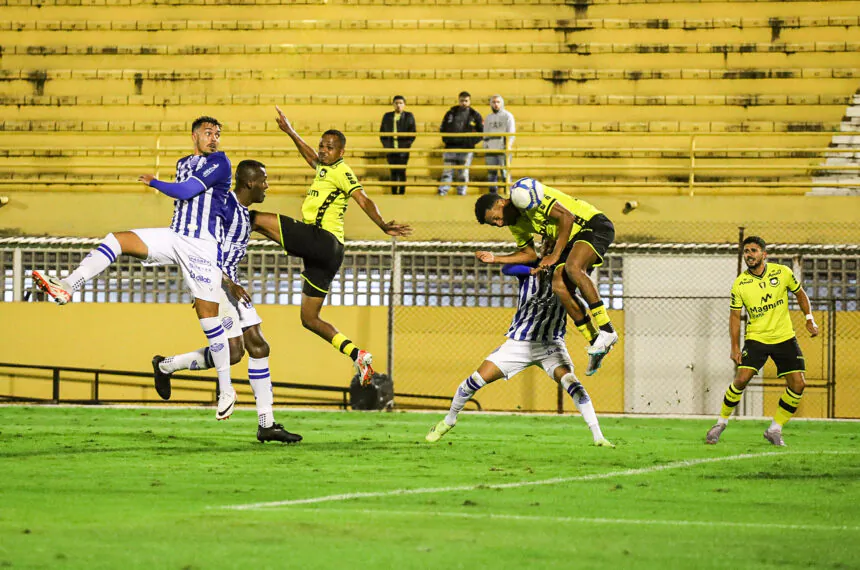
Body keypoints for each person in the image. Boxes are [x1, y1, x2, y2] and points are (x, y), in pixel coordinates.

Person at [31, 116, 239, 421]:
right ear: (194, 135)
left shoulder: (220, 162)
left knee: (208, 320)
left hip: (201, 247)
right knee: (116, 240)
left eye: (218, 134)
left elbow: (184, 193)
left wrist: (154, 182)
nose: (214, 138)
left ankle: (227, 389)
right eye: (209, 133)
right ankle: (68, 285)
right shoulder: (184, 162)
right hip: (174, 236)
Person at [250, 106, 412, 385]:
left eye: (330, 147)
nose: (323, 150)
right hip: (325, 255)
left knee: (252, 218)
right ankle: (358, 355)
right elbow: (310, 156)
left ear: (341, 153)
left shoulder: (341, 171)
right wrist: (290, 131)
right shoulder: (324, 167)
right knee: (309, 318)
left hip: (323, 240)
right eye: (322, 145)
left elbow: (362, 198)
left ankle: (219, 246)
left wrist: (382, 224)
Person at [151, 160, 302, 444]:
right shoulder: (223, 206)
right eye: (264, 181)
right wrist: (224, 283)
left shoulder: (246, 215)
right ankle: (165, 366)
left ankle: (266, 424)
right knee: (234, 353)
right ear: (249, 184)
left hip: (232, 286)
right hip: (216, 283)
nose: (267, 186)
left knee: (259, 346)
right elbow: (202, 249)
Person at [426, 249, 613, 447]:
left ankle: (598, 436)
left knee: (573, 384)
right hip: (518, 344)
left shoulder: (567, 274)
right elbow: (508, 268)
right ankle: (449, 421)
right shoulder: (530, 269)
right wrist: (532, 271)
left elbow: (584, 278)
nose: (549, 245)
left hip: (551, 346)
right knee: (475, 381)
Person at [473, 178, 618, 375]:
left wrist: (554, 254)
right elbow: (529, 254)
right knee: (558, 285)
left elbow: (567, 217)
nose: (499, 224)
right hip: (570, 240)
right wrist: (495, 258)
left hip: (591, 225)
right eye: (494, 224)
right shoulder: (516, 225)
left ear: (500, 202)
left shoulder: (522, 196)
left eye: (496, 218)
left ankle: (607, 330)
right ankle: (596, 342)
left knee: (573, 268)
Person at [705, 236, 819, 447]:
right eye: (746, 251)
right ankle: (720, 423)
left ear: (764, 254)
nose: (749, 254)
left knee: (798, 384)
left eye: (753, 251)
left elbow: (801, 294)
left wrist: (809, 319)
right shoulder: (740, 283)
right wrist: (734, 346)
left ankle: (775, 429)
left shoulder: (782, 272)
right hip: (756, 338)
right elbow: (734, 316)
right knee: (741, 379)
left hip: (785, 337)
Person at [438, 91, 483, 196]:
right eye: (462, 100)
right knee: (447, 171)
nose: (464, 103)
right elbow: (443, 128)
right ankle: (443, 191)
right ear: (458, 100)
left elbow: (481, 132)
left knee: (463, 173)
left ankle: (461, 192)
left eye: (466, 101)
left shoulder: (475, 115)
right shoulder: (451, 113)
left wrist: (471, 142)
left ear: (470, 101)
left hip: (466, 149)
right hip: (450, 147)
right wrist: (446, 140)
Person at [379, 95, 416, 195]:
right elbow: (382, 132)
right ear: (393, 104)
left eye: (400, 103)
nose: (398, 105)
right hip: (391, 149)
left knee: (402, 171)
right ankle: (394, 192)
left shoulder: (409, 116)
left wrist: (406, 146)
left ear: (404, 105)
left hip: (403, 149)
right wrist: (387, 145)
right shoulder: (387, 116)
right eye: (396, 103)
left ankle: (402, 192)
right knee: (393, 171)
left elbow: (412, 133)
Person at [483, 95, 515, 194]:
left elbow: (511, 132)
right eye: (494, 102)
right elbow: (485, 133)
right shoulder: (488, 117)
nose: (496, 104)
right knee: (491, 174)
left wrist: (508, 146)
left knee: (505, 173)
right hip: (491, 149)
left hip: (503, 149)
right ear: (490, 104)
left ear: (502, 103)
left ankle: (508, 194)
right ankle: (492, 195)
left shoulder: (507, 116)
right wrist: (486, 146)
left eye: (498, 102)